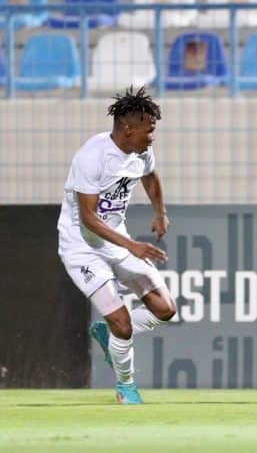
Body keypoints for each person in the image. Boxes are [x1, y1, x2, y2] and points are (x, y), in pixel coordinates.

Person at [57, 86, 176, 405]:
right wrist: (132, 245)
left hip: (115, 240)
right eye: (149, 130)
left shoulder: (141, 151)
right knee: (122, 323)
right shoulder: (92, 157)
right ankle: (126, 387)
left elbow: (150, 176)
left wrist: (160, 213)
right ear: (128, 128)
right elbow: (88, 218)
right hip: (81, 246)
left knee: (165, 309)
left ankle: (108, 333)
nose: (152, 137)